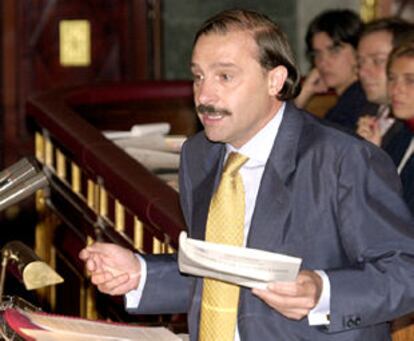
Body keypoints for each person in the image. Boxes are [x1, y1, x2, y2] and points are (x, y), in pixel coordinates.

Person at [79, 9, 414, 341]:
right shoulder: (200, 154)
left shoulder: (344, 158)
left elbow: (405, 272)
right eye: (198, 76)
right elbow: (224, 276)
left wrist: (322, 291)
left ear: (275, 80)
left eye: (225, 76)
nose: (204, 96)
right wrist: (141, 273)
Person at [358, 42, 414, 214]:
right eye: (391, 78)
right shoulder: (403, 135)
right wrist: (373, 152)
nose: (396, 90)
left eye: (410, 80)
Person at [295, 9, 370, 131]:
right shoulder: (346, 101)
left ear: (359, 51)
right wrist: (305, 91)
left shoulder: (357, 102)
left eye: (334, 51)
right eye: (317, 54)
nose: (323, 62)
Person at [357, 18, 414, 146]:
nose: (362, 72)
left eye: (378, 61)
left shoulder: (406, 122)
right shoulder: (363, 106)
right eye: (360, 62)